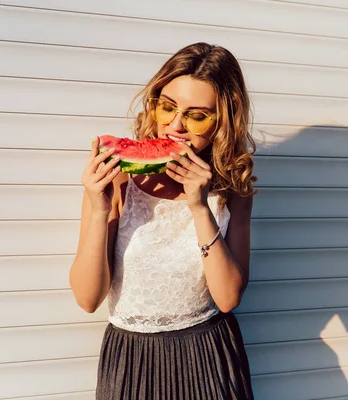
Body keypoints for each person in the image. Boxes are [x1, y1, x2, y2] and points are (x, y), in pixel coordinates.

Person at [69, 42, 256, 399]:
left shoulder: (233, 185)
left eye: (197, 115)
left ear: (224, 120)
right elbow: (87, 298)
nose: (175, 125)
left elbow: (229, 297)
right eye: (167, 107)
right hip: (131, 361)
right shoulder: (117, 177)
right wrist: (98, 208)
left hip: (208, 356)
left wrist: (200, 208)